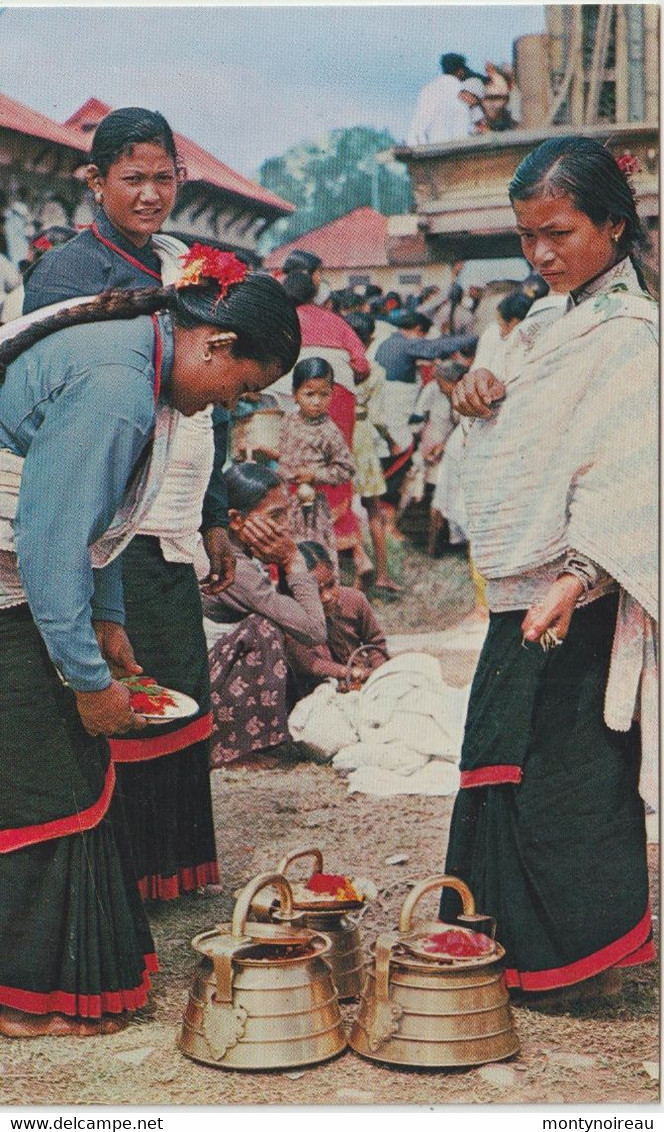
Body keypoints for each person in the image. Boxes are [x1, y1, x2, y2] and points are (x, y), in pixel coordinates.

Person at [0, 253, 300, 1037]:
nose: (221, 408)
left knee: (66, 768)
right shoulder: (117, 386)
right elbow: (50, 538)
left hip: (33, 576)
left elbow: (96, 519)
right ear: (214, 344)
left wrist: (105, 621)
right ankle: (26, 997)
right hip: (16, 580)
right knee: (49, 777)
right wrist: (87, 677)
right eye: (236, 390)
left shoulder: (145, 357)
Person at [440, 137, 657, 1001]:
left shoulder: (635, 339)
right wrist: (476, 392)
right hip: (521, 586)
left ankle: (577, 961)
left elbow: (633, 473)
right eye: (527, 235)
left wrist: (577, 578)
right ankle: (504, 944)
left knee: (568, 775)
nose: (540, 253)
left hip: (581, 592)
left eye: (559, 232)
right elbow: (519, 430)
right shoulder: (542, 322)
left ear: (613, 225)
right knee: (498, 756)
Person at [22, 107, 236, 902]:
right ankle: (122, 874)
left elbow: (211, 399)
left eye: (163, 177)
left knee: (174, 679)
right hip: (100, 507)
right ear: (96, 182)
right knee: (117, 688)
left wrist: (213, 514)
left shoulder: (184, 266)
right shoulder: (68, 275)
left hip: (171, 506)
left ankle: (173, 867)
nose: (151, 194)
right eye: (133, 178)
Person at [201, 465, 326, 766]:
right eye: (274, 516)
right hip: (204, 685)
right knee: (264, 628)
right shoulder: (235, 567)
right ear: (235, 519)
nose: (285, 528)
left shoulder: (236, 554)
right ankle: (243, 749)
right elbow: (313, 629)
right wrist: (291, 559)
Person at [278, 357, 355, 576]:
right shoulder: (288, 421)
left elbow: (346, 468)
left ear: (332, 393)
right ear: (294, 394)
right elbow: (286, 458)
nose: (316, 401)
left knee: (314, 561)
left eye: (324, 394)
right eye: (309, 394)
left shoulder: (329, 431)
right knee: (286, 559)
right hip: (285, 503)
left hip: (310, 509)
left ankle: (322, 607)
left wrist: (315, 474)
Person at [343, 310, 402, 593]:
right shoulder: (375, 372)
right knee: (373, 508)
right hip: (364, 436)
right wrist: (391, 440)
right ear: (371, 338)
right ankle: (382, 574)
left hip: (339, 431)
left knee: (337, 503)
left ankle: (353, 559)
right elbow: (378, 417)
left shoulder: (338, 367)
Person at [286, 540, 388, 698]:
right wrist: (349, 673)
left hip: (362, 680)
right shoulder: (292, 616)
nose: (327, 597)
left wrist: (379, 674)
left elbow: (375, 641)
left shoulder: (354, 600)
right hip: (319, 689)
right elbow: (310, 663)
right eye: (316, 592)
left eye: (331, 585)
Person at [407, 53, 484, 145]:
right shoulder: (464, 91)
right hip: (460, 149)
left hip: (431, 149)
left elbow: (419, 124)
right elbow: (478, 122)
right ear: (460, 71)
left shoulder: (427, 90)